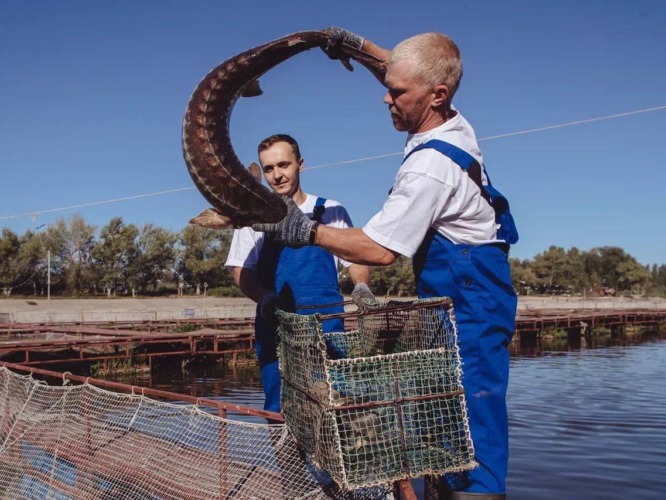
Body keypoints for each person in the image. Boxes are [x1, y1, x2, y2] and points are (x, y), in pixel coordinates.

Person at [253, 31, 517, 499]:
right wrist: (356, 46)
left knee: (472, 418)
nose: (385, 97)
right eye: (388, 84)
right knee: (445, 415)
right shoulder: (451, 123)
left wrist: (306, 231)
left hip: (473, 298)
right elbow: (406, 73)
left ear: (436, 95)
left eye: (396, 93)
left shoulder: (430, 166)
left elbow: (378, 249)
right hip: (463, 291)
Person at [224, 133, 373, 417]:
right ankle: (288, 461)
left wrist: (362, 286)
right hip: (276, 325)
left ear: (300, 164)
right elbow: (240, 269)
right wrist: (264, 296)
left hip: (327, 324)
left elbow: (354, 256)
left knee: (333, 402)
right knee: (279, 407)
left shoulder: (330, 210)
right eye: (268, 169)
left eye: (283, 165)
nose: (277, 175)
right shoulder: (252, 218)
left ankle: (326, 462)